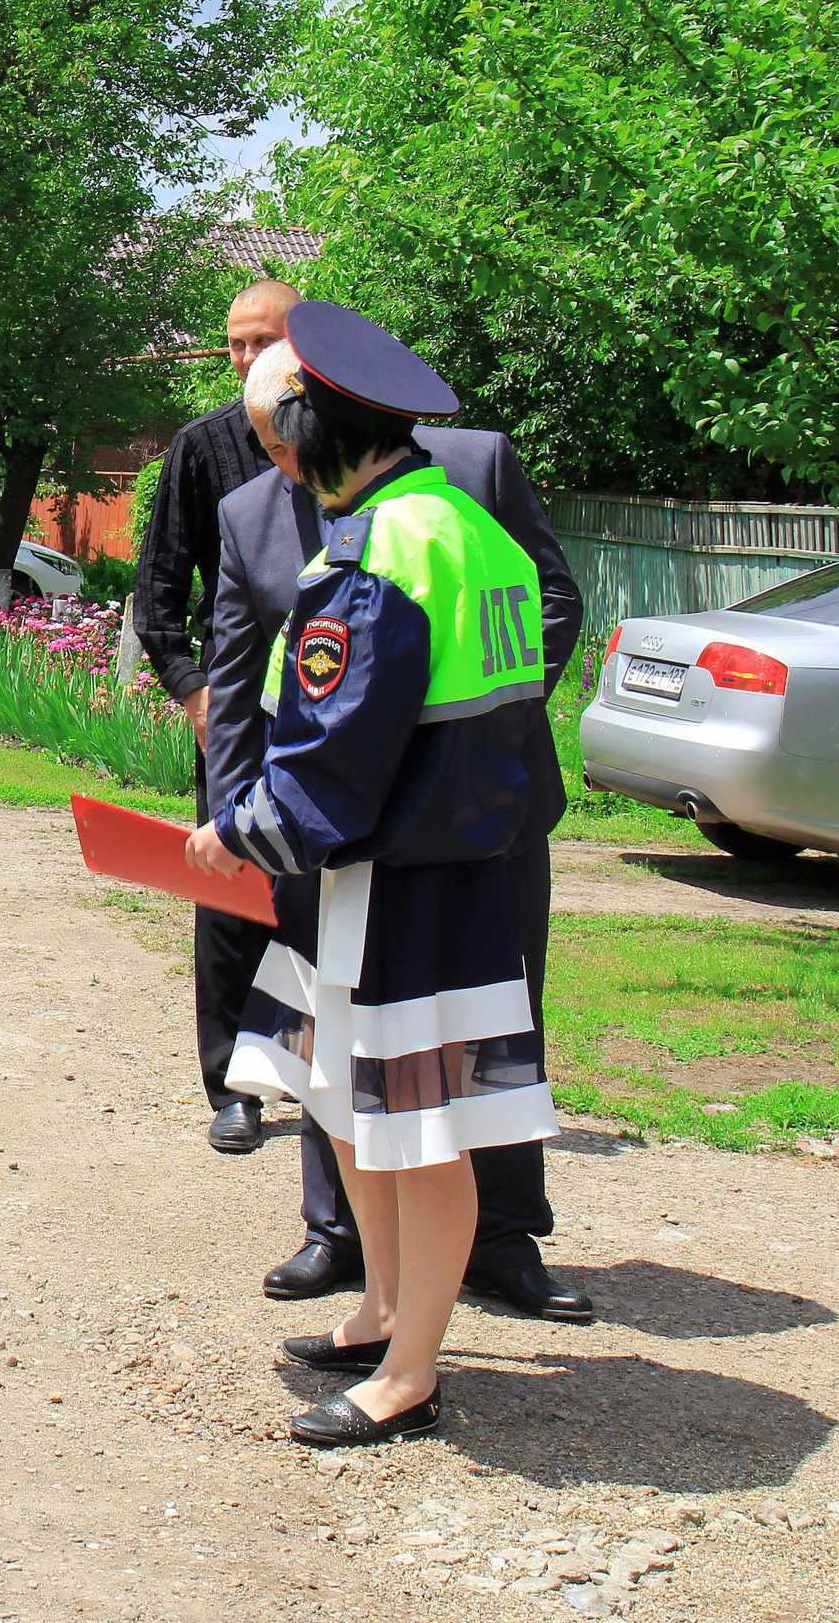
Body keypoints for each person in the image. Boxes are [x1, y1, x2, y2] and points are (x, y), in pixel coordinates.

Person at [184, 302, 564, 1446]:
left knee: (419, 1127)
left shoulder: (375, 551)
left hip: (391, 881)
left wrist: (237, 834)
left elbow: (336, 749)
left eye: (280, 439)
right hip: (438, 867)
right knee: (356, 1108)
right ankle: (386, 1309)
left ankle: (409, 1370)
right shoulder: (464, 525)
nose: (280, 466)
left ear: (317, 424)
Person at [132, 279, 301, 1155]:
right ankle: (233, 1082)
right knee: (232, 890)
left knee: (327, 893)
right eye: (232, 345)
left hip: (338, 703)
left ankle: (319, 1067)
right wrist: (197, 693)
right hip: (239, 709)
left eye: (260, 341)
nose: (243, 359)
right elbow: (156, 595)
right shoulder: (203, 449)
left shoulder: (343, 437)